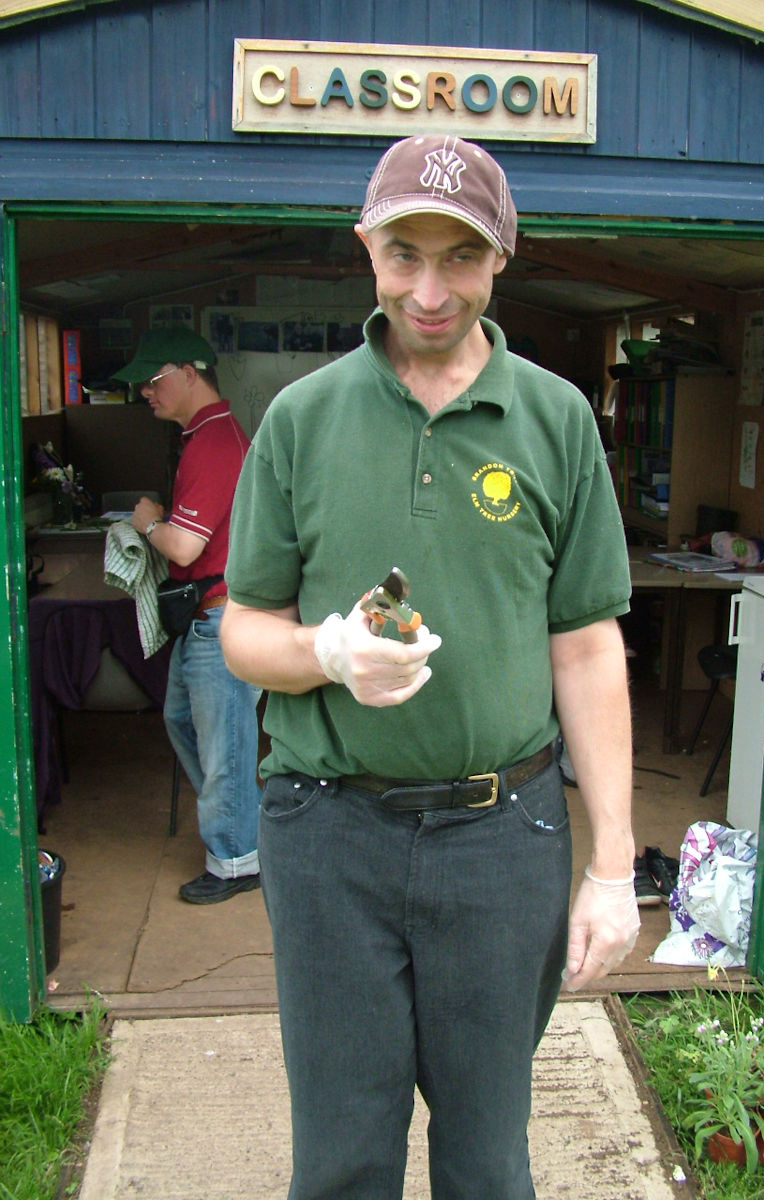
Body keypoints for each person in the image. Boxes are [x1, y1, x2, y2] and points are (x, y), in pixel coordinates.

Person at [220, 134, 640, 1198]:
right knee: (344, 1155)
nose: (431, 286)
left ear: (502, 258)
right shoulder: (302, 422)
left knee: (489, 1156)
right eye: (405, 252)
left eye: (461, 257)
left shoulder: (554, 421)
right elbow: (242, 629)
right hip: (329, 836)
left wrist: (613, 868)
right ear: (366, 249)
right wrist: (326, 653)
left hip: (504, 836)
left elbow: (589, 646)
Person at [113, 328, 262, 904]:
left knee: (223, 745)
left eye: (152, 382)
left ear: (189, 372)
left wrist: (147, 521)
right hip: (204, 618)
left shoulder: (215, 443)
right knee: (182, 720)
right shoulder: (202, 436)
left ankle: (235, 861)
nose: (145, 394)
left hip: (219, 619)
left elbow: (182, 549)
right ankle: (239, 826)